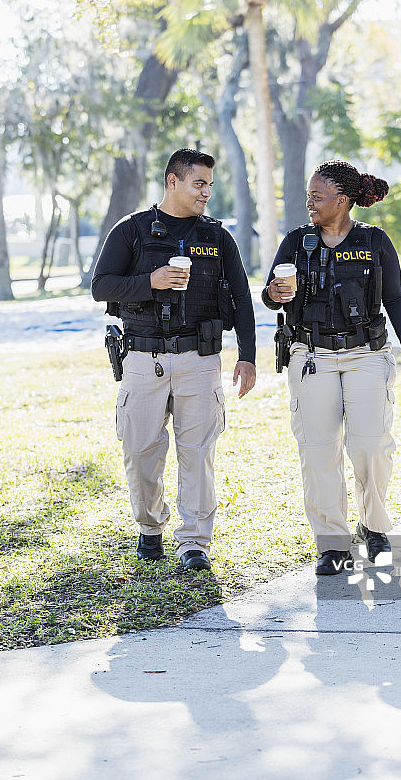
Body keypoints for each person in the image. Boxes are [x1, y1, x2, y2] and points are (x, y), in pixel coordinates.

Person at [92, 148, 256, 571]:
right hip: (143, 359)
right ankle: (150, 528)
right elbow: (101, 285)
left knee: (197, 451)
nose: (206, 192)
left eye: (209, 185)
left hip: (200, 359)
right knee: (141, 450)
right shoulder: (132, 230)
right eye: (198, 183)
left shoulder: (218, 236)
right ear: (173, 181)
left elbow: (240, 296)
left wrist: (248, 356)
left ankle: (195, 543)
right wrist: (152, 281)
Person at [262, 159, 401, 575]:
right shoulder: (297, 242)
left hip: (366, 356)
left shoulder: (374, 241)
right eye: (308, 195)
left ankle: (374, 528)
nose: (309, 202)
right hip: (311, 357)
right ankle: (331, 544)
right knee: (318, 453)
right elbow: (269, 295)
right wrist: (276, 293)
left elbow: (395, 298)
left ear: (343, 199)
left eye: (318, 196)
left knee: (371, 445)